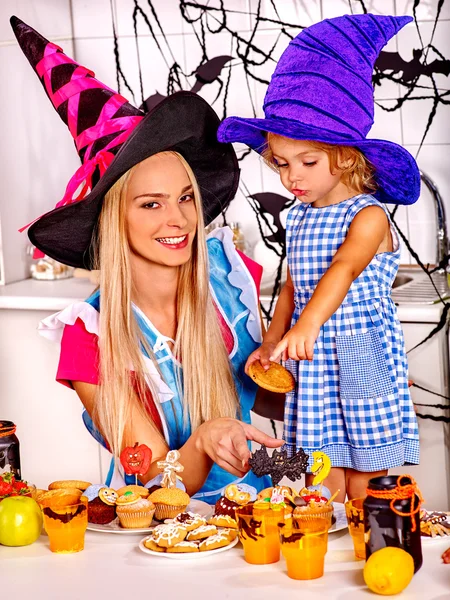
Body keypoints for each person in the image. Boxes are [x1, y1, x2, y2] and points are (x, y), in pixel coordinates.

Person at [11, 16, 283, 503]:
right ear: (114, 219)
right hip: (162, 535)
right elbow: (160, 478)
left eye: (185, 198)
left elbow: (266, 401)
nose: (178, 219)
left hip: (259, 509)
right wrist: (202, 441)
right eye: (151, 204)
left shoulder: (232, 280)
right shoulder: (88, 339)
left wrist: (335, 374)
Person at [218, 14, 421, 501]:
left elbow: (343, 270)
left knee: (369, 473)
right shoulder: (303, 216)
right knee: (317, 469)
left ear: (347, 155)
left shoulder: (368, 216)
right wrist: (272, 339)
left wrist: (305, 328)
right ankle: (324, 554)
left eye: (307, 162)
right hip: (312, 363)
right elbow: (292, 286)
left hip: (358, 352)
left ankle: (379, 541)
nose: (291, 178)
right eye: (282, 164)